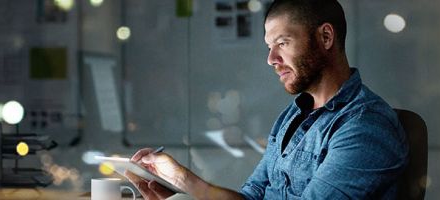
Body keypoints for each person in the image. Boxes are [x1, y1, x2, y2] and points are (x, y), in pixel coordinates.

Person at [124, 0, 409, 199]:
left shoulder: (365, 127)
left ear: (325, 37)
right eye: (270, 46)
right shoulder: (293, 117)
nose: (272, 59)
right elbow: (251, 198)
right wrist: (182, 183)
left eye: (283, 43)